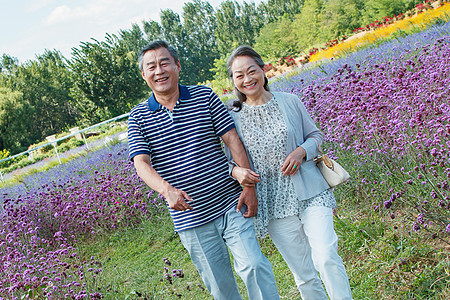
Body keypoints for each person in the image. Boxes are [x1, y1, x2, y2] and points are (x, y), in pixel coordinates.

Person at [127, 40, 280, 300]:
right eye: (151, 66)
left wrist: (248, 186)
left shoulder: (203, 96)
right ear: (144, 75)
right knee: (221, 288)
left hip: (231, 203)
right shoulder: (138, 117)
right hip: (191, 218)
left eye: (165, 62)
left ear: (177, 65)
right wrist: (167, 190)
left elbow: (232, 140)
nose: (159, 71)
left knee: (254, 265)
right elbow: (141, 164)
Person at [225, 45, 353, 300]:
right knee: (304, 275)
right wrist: (237, 173)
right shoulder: (232, 117)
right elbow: (228, 162)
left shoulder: (289, 101)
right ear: (233, 81)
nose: (247, 79)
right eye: (239, 75)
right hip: (273, 203)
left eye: (252, 71)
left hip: (311, 191)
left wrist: (300, 152)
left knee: (326, 256)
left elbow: (315, 135)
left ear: (263, 70)